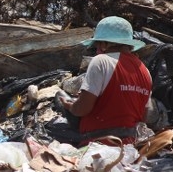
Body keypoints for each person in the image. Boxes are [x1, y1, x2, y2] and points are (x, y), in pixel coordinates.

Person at [59, 16, 152, 145]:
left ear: (104, 44)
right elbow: (143, 116)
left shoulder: (101, 61)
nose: (97, 49)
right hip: (129, 145)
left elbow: (83, 109)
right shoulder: (145, 71)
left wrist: (70, 106)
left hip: (98, 144)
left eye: (97, 44)